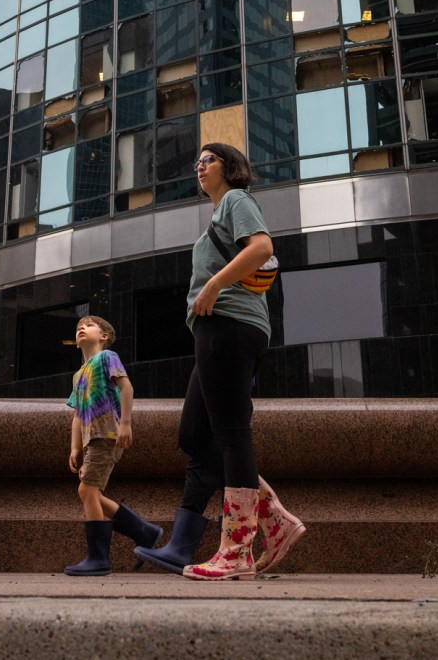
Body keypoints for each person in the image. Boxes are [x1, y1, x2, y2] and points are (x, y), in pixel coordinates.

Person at [134, 143, 305, 581]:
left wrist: (213, 285)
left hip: (231, 325)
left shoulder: (236, 199)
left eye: (208, 159)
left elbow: (262, 247)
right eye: (197, 161)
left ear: (229, 167)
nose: (199, 166)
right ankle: (276, 522)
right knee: (195, 433)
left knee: (230, 433)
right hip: (215, 331)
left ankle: (237, 549)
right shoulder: (219, 214)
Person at [64, 314, 163, 575]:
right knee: (89, 493)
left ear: (104, 336)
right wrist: (75, 448)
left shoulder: (107, 358)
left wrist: (126, 424)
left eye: (88, 325)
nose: (82, 329)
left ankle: (99, 559)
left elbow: (126, 387)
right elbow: (76, 415)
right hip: (91, 440)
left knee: (87, 491)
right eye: (78, 327)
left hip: (107, 434)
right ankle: (144, 531)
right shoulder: (78, 375)